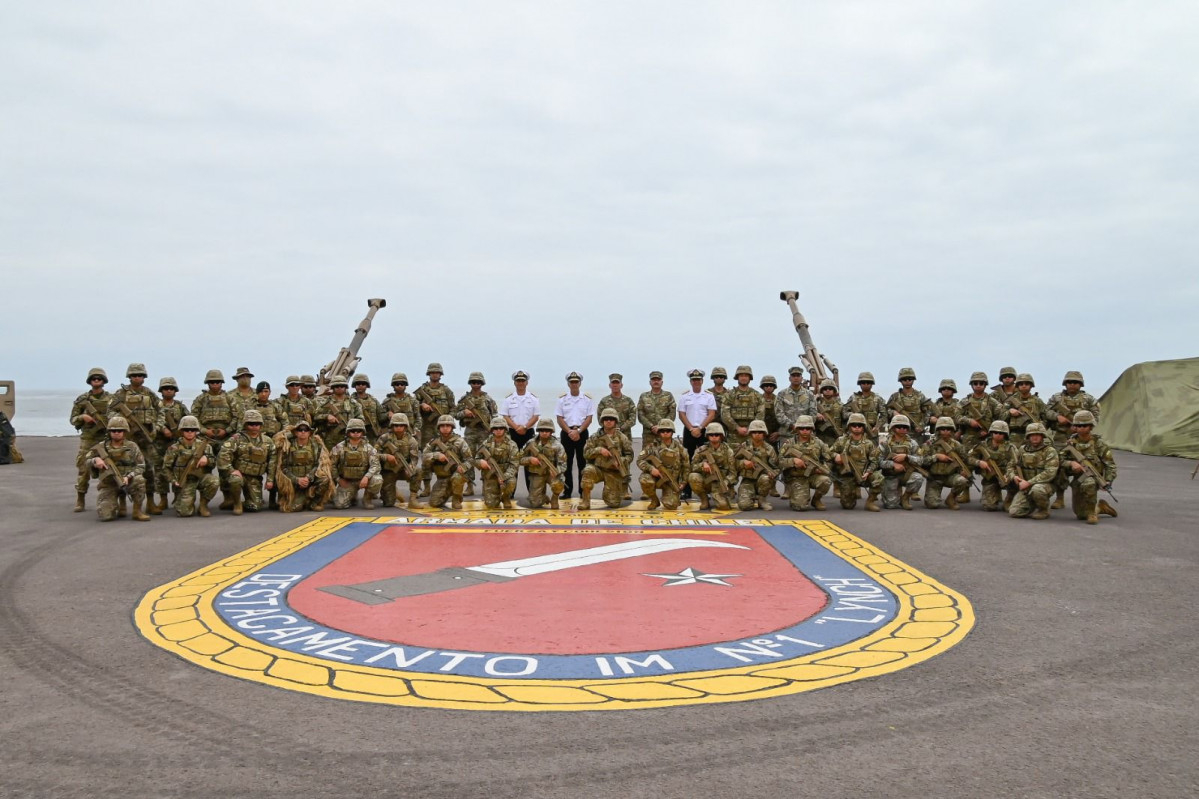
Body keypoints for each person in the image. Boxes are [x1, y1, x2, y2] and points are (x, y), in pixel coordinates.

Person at [110, 363, 161, 513]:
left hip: (145, 439)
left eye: (140, 375)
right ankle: (122, 503)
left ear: (144, 377)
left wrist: (156, 428)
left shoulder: (149, 394)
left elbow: (161, 411)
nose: (137, 378)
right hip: (127, 438)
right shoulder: (120, 394)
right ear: (129, 377)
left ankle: (150, 502)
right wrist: (122, 422)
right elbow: (110, 411)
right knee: (123, 469)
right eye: (134, 375)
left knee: (149, 470)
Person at [1046, 371, 1101, 509]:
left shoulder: (1089, 399)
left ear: (1080, 384)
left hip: (1081, 439)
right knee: (1059, 466)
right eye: (1069, 382)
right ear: (1065, 383)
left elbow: (1095, 417)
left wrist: (1081, 427)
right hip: (1060, 438)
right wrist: (1057, 417)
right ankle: (1059, 498)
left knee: (1085, 466)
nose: (1072, 385)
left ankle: (1085, 500)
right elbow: (1046, 411)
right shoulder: (1056, 398)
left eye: (1075, 382)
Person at [85, 415, 150, 522]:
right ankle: (117, 503)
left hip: (128, 481)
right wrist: (95, 460)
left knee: (140, 480)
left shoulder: (132, 446)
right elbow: (86, 461)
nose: (116, 433)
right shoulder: (101, 447)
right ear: (109, 432)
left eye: (119, 430)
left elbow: (141, 466)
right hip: (109, 484)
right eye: (113, 430)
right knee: (106, 516)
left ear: (125, 432)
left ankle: (137, 511)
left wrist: (129, 476)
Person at [1060, 410, 1118, 525]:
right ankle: (1101, 507)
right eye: (1078, 425)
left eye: (1085, 425)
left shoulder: (1098, 444)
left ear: (1091, 426)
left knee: (1089, 482)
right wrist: (1071, 464)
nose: (1081, 428)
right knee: (1080, 515)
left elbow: (1110, 464)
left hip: (1093, 478)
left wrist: (1108, 480)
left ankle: (1092, 513)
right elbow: (1059, 459)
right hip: (1078, 478)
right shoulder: (1070, 443)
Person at [217, 409, 277, 515]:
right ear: (245, 424)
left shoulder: (267, 441)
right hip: (239, 474)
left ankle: (234, 503)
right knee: (235, 480)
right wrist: (231, 470)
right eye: (251, 424)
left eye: (257, 424)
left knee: (255, 506)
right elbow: (223, 455)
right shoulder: (237, 439)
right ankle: (236, 503)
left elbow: (272, 461)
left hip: (255, 477)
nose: (254, 426)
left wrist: (270, 480)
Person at [70, 367, 114, 512]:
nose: (96, 381)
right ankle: (80, 498)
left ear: (103, 381)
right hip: (88, 439)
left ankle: (110, 500)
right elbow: (73, 419)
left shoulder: (111, 399)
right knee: (84, 470)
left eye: (99, 379)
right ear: (90, 381)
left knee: (110, 468)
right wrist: (83, 417)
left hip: (106, 438)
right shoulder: (83, 400)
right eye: (94, 379)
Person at [191, 369, 236, 508]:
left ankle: (228, 497)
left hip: (225, 438)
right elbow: (193, 418)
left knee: (224, 469)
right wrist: (205, 431)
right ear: (208, 383)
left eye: (217, 382)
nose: (215, 385)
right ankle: (204, 500)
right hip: (206, 439)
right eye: (212, 382)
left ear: (221, 383)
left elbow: (236, 417)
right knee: (204, 469)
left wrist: (226, 430)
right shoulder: (201, 399)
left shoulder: (229, 398)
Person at [161, 415, 218, 517]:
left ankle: (203, 505)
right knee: (185, 512)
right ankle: (185, 501)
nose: (190, 432)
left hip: (200, 478)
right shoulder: (174, 448)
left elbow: (213, 463)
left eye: (193, 430)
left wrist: (207, 459)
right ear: (182, 431)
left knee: (214, 481)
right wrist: (173, 481)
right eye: (187, 430)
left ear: (196, 431)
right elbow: (166, 468)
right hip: (184, 481)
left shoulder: (205, 446)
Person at [453, 371, 497, 496]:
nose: (476, 384)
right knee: (469, 458)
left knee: (485, 458)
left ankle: (485, 484)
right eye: (473, 382)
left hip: (485, 432)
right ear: (470, 383)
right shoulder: (464, 400)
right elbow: (455, 415)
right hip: (470, 432)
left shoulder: (488, 399)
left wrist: (492, 428)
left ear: (482, 383)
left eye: (478, 382)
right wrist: (464, 413)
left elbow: (494, 416)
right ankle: (470, 485)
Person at [414, 363, 455, 497]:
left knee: (446, 456)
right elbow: (412, 405)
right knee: (427, 458)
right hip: (427, 429)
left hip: (443, 430)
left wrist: (447, 421)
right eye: (432, 372)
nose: (435, 374)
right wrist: (422, 404)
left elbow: (453, 408)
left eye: (437, 373)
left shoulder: (446, 391)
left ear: (441, 375)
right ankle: (426, 487)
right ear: (429, 374)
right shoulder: (422, 390)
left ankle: (442, 484)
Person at [275, 420, 333, 513]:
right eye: (300, 429)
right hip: (294, 482)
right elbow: (283, 468)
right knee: (292, 508)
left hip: (309, 479)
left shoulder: (316, 445)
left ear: (309, 432)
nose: (303, 432)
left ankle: (314, 502)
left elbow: (318, 464)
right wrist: (297, 480)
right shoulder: (287, 446)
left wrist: (308, 478)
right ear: (295, 432)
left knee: (325, 479)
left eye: (306, 430)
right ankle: (303, 497)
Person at [579, 408, 632, 510]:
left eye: (611, 419)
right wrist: (599, 450)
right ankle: (585, 501)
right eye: (606, 419)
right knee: (587, 471)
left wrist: (621, 461)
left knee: (613, 503)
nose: (608, 421)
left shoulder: (622, 438)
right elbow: (586, 454)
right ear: (602, 421)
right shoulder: (595, 437)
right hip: (598, 469)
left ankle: (616, 490)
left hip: (614, 471)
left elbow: (630, 455)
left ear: (615, 421)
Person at [677, 369, 717, 500]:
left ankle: (708, 489)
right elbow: (681, 414)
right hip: (689, 430)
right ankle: (686, 490)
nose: (696, 382)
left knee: (707, 459)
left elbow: (711, 414)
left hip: (704, 430)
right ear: (690, 381)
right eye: (694, 380)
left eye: (698, 380)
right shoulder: (685, 396)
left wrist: (700, 428)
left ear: (702, 381)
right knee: (687, 460)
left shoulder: (708, 396)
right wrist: (691, 428)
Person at [778, 416, 832, 512]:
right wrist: (793, 461)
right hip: (796, 477)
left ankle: (816, 500)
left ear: (812, 429)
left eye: (808, 428)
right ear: (797, 429)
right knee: (801, 507)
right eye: (802, 428)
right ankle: (795, 494)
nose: (805, 431)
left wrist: (823, 468)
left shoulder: (819, 443)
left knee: (826, 481)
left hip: (813, 475)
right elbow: (779, 461)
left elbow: (829, 459)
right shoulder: (789, 443)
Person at [830, 413, 883, 511]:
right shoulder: (841, 441)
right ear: (849, 426)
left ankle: (870, 502)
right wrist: (836, 456)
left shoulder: (868, 443)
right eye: (854, 425)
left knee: (879, 478)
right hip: (847, 476)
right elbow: (829, 453)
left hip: (863, 474)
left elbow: (874, 461)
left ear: (864, 427)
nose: (857, 428)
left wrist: (869, 472)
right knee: (848, 505)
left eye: (860, 425)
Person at [1008, 423, 1059, 521]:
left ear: (1042, 436)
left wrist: (1029, 482)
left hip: (1044, 485)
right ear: (1028, 436)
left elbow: (1050, 472)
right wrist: (1013, 476)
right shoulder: (1022, 449)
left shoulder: (1050, 451)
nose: (1035, 438)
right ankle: (1032, 502)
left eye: (1037, 435)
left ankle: (1043, 509)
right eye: (1032, 435)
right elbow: (1011, 466)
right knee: (1014, 512)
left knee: (1037, 489)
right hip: (1025, 485)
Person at [555, 372, 595, 499]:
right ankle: (567, 491)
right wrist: (570, 431)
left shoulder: (587, 399)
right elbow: (559, 418)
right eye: (571, 382)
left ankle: (583, 491)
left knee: (582, 463)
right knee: (566, 464)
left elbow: (589, 418)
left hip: (582, 433)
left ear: (580, 383)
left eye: (576, 382)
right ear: (568, 383)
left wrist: (579, 431)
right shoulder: (562, 399)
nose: (574, 384)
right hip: (567, 433)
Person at [597, 373, 637, 499]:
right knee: (608, 461)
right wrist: (610, 428)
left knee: (624, 461)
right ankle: (609, 487)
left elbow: (632, 418)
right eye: (613, 383)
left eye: (617, 383)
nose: (615, 385)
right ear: (610, 385)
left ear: (621, 385)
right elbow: (600, 418)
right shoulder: (604, 401)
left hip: (624, 436)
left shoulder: (628, 401)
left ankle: (624, 490)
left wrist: (621, 428)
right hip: (607, 437)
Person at [153, 376, 189, 512]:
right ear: (161, 391)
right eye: (166, 389)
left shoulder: (180, 406)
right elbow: (151, 421)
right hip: (159, 444)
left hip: (176, 443)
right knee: (160, 471)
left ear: (175, 391)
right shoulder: (156, 406)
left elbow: (189, 421)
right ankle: (163, 499)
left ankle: (178, 497)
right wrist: (162, 428)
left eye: (171, 389)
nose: (169, 391)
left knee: (177, 469)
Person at [329, 418, 382, 510]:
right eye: (353, 430)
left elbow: (375, 465)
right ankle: (352, 495)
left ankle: (367, 499)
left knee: (377, 479)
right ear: (348, 432)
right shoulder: (339, 448)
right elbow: (331, 465)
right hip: (347, 481)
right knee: (339, 505)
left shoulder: (369, 448)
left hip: (363, 480)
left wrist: (366, 477)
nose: (356, 433)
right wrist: (338, 480)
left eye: (359, 431)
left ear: (362, 432)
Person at [968, 420, 1020, 512]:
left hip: (1005, 477)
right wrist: (979, 462)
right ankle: (995, 495)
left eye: (1001, 433)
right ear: (991, 433)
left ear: (1005, 434)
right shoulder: (982, 445)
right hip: (990, 477)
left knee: (1014, 484)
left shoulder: (1011, 447)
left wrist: (1009, 474)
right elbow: (969, 457)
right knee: (989, 507)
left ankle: (1010, 499)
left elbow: (1016, 463)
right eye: (995, 432)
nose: (998, 435)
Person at [422, 415, 472, 510]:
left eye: (448, 426)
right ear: (439, 428)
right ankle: (448, 491)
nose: (445, 428)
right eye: (442, 426)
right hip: (442, 477)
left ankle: (456, 498)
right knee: (434, 503)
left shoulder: (460, 442)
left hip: (456, 474)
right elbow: (424, 456)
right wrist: (437, 455)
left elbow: (470, 459)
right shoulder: (434, 442)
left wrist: (464, 467)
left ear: (452, 427)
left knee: (458, 477)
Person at [922, 416, 972, 510]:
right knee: (932, 505)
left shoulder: (957, 445)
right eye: (943, 429)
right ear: (938, 430)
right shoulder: (930, 444)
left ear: (952, 430)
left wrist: (964, 470)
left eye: (949, 429)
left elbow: (966, 459)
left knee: (962, 481)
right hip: (934, 477)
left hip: (950, 476)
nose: (946, 431)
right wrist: (936, 457)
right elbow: (922, 461)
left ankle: (951, 499)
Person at [637, 419, 688, 510]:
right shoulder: (652, 446)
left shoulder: (680, 448)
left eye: (668, 431)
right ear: (659, 432)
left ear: (672, 432)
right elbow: (640, 460)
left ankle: (668, 495)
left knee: (672, 505)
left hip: (671, 480)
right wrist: (651, 469)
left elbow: (686, 466)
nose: (665, 433)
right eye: (662, 431)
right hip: (656, 478)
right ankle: (654, 500)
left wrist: (683, 482)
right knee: (645, 479)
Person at [878, 415, 926, 510]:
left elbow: (920, 460)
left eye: (905, 427)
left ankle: (905, 498)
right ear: (893, 428)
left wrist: (907, 457)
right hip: (890, 476)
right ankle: (895, 492)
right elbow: (879, 462)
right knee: (890, 505)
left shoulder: (913, 443)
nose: (902, 429)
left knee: (918, 478)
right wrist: (893, 464)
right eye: (899, 427)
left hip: (906, 474)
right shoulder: (885, 443)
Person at [375, 413, 422, 509]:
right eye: (396, 425)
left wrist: (410, 467)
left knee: (417, 471)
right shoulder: (384, 438)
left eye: (401, 425)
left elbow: (414, 458)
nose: (399, 427)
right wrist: (386, 456)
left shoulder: (411, 441)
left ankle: (413, 499)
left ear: (405, 427)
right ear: (392, 426)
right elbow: (373, 454)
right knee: (388, 503)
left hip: (403, 470)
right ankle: (394, 491)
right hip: (387, 472)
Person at [687, 422, 737, 511]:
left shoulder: (728, 451)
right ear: (707, 436)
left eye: (717, 434)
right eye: (711, 434)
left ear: (721, 436)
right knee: (693, 477)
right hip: (707, 481)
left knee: (723, 506)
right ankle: (704, 499)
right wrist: (703, 464)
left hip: (721, 482)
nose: (714, 436)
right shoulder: (701, 450)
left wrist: (726, 482)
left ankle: (718, 496)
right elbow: (692, 467)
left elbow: (733, 473)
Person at [521, 418, 567, 510]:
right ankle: (543, 497)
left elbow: (563, 463)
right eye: (542, 430)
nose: (544, 432)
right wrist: (530, 459)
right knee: (535, 503)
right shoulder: (531, 443)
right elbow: (518, 459)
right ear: (538, 430)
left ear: (551, 431)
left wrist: (556, 470)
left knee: (559, 483)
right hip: (537, 474)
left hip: (551, 474)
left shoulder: (557, 445)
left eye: (547, 430)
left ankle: (554, 498)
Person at [733, 419, 778, 511]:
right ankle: (749, 497)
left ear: (764, 434)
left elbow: (776, 467)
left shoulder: (769, 449)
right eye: (754, 432)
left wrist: (772, 473)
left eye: (760, 432)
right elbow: (732, 463)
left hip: (762, 480)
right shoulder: (743, 447)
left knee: (766, 478)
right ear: (750, 433)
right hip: (747, 480)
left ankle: (762, 500)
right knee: (744, 506)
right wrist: (743, 463)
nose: (757, 434)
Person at [476, 417, 520, 510]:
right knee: (491, 505)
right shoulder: (485, 444)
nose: (498, 430)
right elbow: (475, 459)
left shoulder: (512, 444)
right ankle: (495, 495)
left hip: (505, 474)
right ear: (492, 430)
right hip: (490, 475)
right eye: (496, 428)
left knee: (511, 482)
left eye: (501, 428)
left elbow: (514, 464)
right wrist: (480, 462)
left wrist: (504, 476)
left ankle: (506, 497)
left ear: (505, 429)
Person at [721, 365, 765, 449]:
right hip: (733, 436)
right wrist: (737, 428)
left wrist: (750, 429)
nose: (743, 378)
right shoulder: (729, 395)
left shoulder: (757, 396)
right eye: (741, 375)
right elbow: (725, 414)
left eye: (746, 375)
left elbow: (760, 414)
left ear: (750, 378)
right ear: (737, 377)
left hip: (752, 435)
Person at [315, 374, 363, 450]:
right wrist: (327, 416)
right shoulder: (325, 403)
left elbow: (361, 419)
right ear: (333, 388)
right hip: (330, 439)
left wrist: (354, 426)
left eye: (342, 386)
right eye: (337, 386)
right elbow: (316, 416)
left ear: (345, 388)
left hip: (350, 438)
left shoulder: (354, 403)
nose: (339, 388)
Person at [886, 368, 933, 444]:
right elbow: (885, 411)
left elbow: (928, 412)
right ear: (900, 381)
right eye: (904, 379)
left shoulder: (920, 396)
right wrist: (893, 412)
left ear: (913, 380)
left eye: (910, 379)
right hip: (897, 433)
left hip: (916, 434)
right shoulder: (895, 397)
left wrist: (921, 425)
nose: (907, 381)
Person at [775, 367, 816, 449]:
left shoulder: (809, 395)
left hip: (805, 435)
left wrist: (803, 427)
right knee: (785, 459)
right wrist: (791, 425)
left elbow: (813, 414)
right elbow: (779, 414)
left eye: (798, 375)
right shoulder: (781, 394)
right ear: (790, 378)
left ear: (802, 378)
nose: (796, 378)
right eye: (793, 376)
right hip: (787, 434)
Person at [501, 370, 541, 454]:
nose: (520, 383)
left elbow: (536, 416)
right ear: (514, 383)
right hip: (512, 432)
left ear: (527, 383)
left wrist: (525, 427)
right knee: (512, 459)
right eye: (518, 381)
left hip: (528, 432)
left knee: (530, 459)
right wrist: (516, 428)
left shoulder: (534, 399)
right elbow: (505, 416)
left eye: (523, 381)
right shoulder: (508, 399)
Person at [842, 372, 889, 442]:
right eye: (863, 382)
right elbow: (844, 413)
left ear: (872, 384)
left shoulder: (878, 399)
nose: (866, 384)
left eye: (868, 382)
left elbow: (884, 415)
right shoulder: (853, 398)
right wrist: (852, 415)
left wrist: (877, 426)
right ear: (860, 384)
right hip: (856, 433)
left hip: (871, 433)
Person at [637, 371, 677, 449]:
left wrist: (660, 427)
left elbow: (672, 414)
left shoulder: (668, 396)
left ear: (662, 382)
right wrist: (651, 426)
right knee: (647, 457)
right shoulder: (644, 396)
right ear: (650, 382)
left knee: (666, 457)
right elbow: (640, 414)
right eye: (653, 380)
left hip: (664, 433)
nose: (656, 382)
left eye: (658, 380)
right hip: (648, 434)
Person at [379, 373, 422, 446]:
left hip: (409, 434)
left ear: (405, 386)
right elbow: (380, 418)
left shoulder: (412, 401)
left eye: (402, 384)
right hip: (392, 435)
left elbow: (418, 417)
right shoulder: (387, 402)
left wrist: (416, 429)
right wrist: (387, 415)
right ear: (393, 386)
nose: (399, 386)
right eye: (397, 384)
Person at [351, 374, 383, 443]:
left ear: (367, 386)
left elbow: (381, 416)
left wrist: (389, 414)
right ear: (354, 386)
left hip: (372, 433)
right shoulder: (350, 401)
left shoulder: (374, 401)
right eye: (358, 384)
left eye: (363, 384)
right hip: (355, 433)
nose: (360, 386)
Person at [813, 379, 843, 448]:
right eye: (825, 389)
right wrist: (816, 415)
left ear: (834, 391)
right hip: (820, 437)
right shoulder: (816, 405)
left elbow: (845, 420)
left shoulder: (840, 406)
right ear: (822, 391)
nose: (828, 390)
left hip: (835, 438)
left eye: (830, 389)